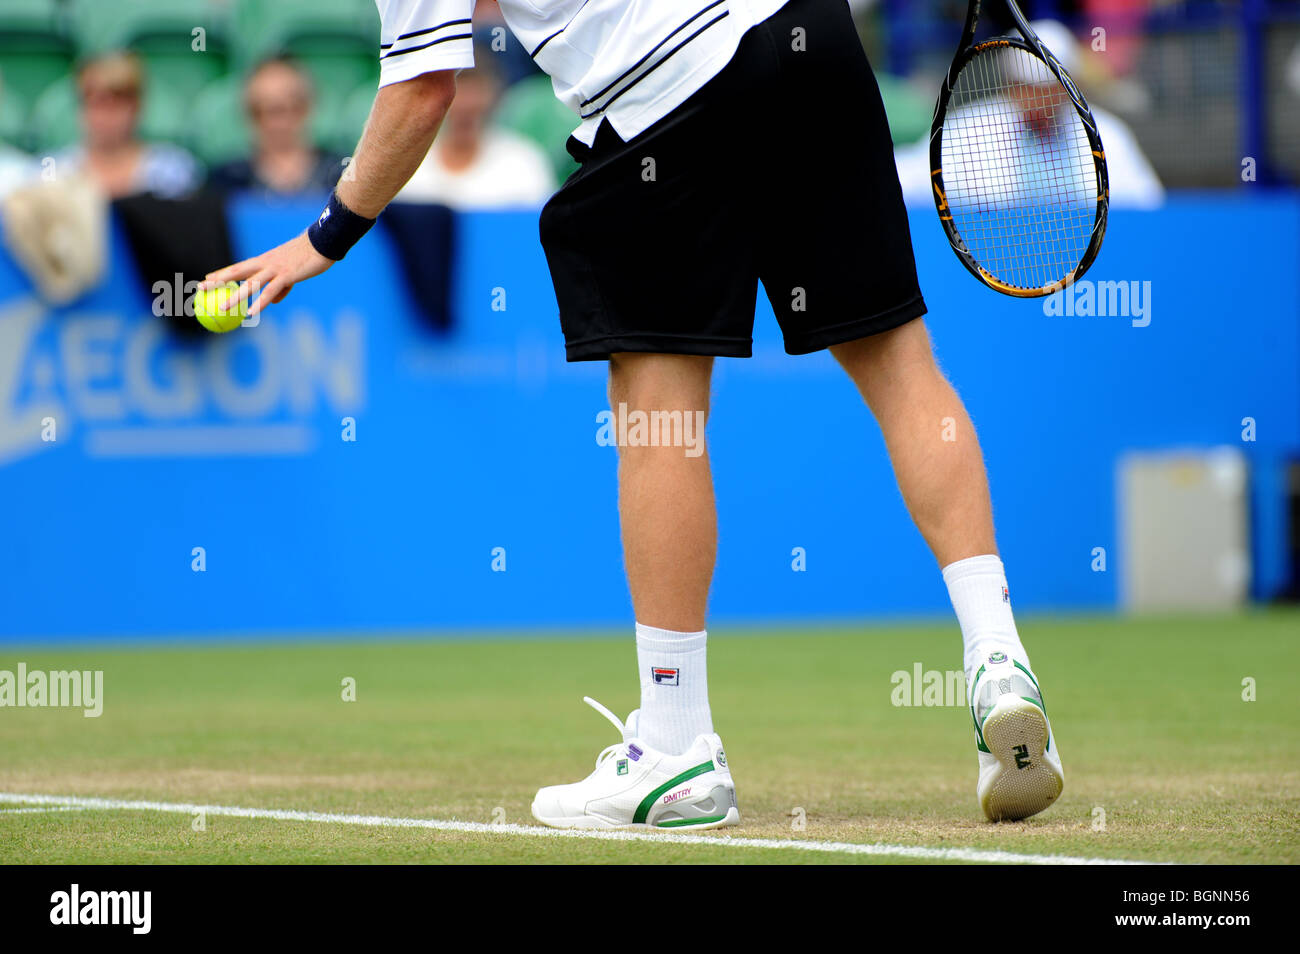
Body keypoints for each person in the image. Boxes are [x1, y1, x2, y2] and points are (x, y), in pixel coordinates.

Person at [204, 0, 1064, 829]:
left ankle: (676, 746)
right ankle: (997, 653)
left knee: (660, 415)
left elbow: (423, 86)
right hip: (809, 37)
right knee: (902, 367)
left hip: (662, 99)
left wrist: (324, 235)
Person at [895, 19, 1164, 209]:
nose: (1039, 100)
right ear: (1010, 84)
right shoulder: (964, 130)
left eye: (1049, 88)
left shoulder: (1109, 136)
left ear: (1070, 88)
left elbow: (1148, 203)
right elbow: (906, 182)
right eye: (1028, 87)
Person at [394, 43, 554, 209]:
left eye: (474, 92)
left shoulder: (523, 164)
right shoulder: (407, 165)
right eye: (457, 93)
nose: (465, 105)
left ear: (493, 96)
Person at [56, 52, 201, 199]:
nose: (106, 117)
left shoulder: (172, 172)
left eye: (116, 106)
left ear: (137, 107)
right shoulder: (57, 172)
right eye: (97, 104)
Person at [208, 57, 346, 198]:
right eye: (260, 110)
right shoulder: (226, 180)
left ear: (307, 107)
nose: (275, 122)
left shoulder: (341, 177)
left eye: (287, 107)